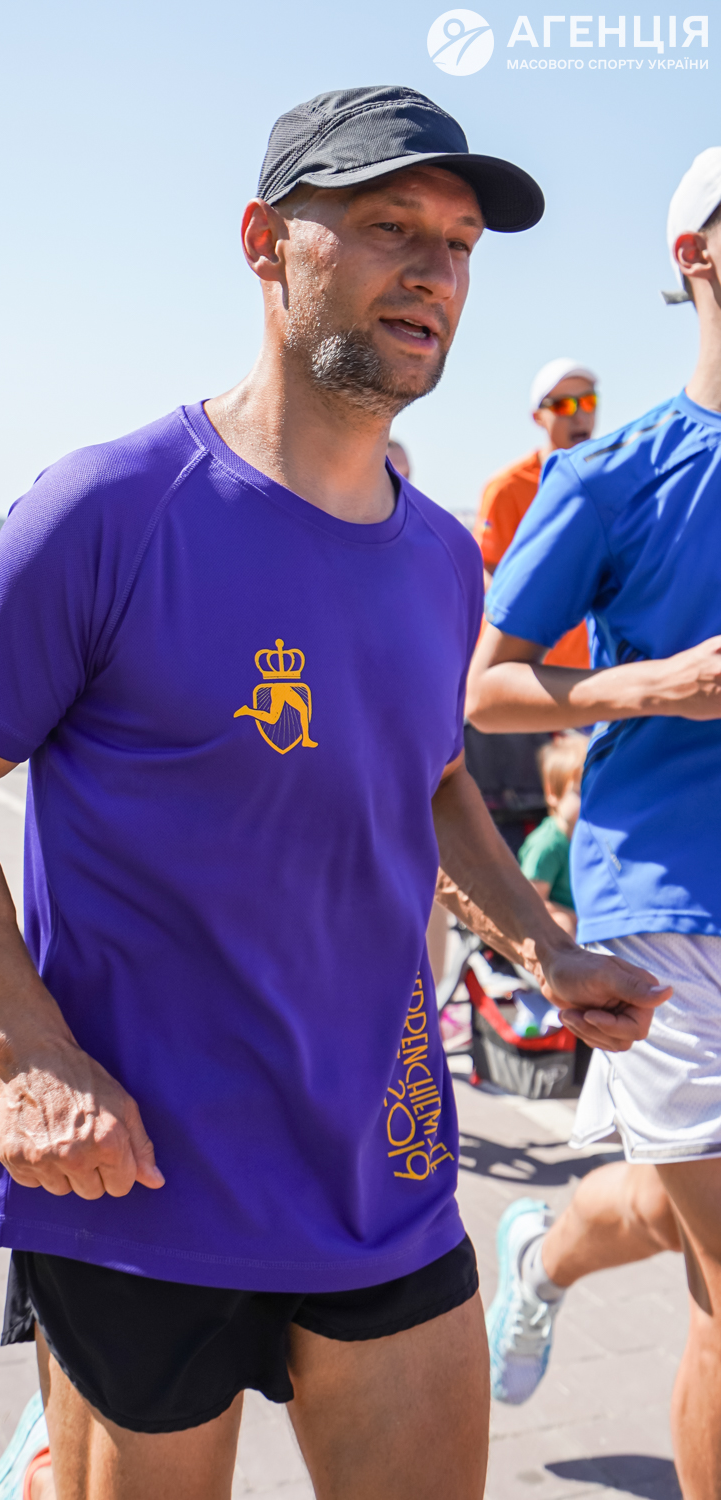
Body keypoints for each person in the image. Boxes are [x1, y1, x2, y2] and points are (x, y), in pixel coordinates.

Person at [0, 87, 665, 1500]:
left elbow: (432, 779)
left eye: (459, 244)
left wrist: (545, 949)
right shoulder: (114, 507)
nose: (433, 272)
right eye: (388, 227)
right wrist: (30, 1053)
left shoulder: (441, 559)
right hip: (136, 1182)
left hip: (382, 1167)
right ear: (263, 242)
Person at [467, 146, 721, 1500]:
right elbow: (489, 689)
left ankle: (543, 1251)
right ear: (696, 256)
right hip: (676, 899)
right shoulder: (615, 474)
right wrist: (658, 685)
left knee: (687, 1217)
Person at [473, 357, 598, 670]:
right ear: (537, 417)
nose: (579, 415)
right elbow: (485, 570)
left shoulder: (615, 478)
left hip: (596, 669)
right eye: (563, 405)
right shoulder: (507, 487)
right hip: (531, 674)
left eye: (587, 401)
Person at [517, 734, 587, 939]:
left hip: (589, 918)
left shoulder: (591, 838)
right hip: (564, 925)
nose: (589, 802)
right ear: (553, 793)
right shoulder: (548, 845)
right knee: (561, 924)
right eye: (580, 793)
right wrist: (575, 918)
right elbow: (531, 903)